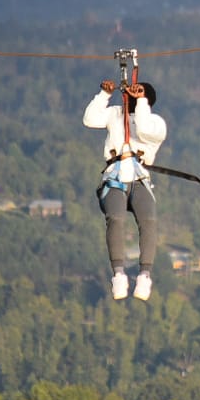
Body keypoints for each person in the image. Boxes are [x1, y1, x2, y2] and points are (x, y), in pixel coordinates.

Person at [83, 79, 167, 300]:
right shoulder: (116, 114)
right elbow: (89, 119)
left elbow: (145, 129)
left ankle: (144, 275)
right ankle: (119, 274)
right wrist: (103, 95)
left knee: (149, 221)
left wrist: (140, 101)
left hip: (139, 179)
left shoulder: (156, 123)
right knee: (116, 218)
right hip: (115, 177)